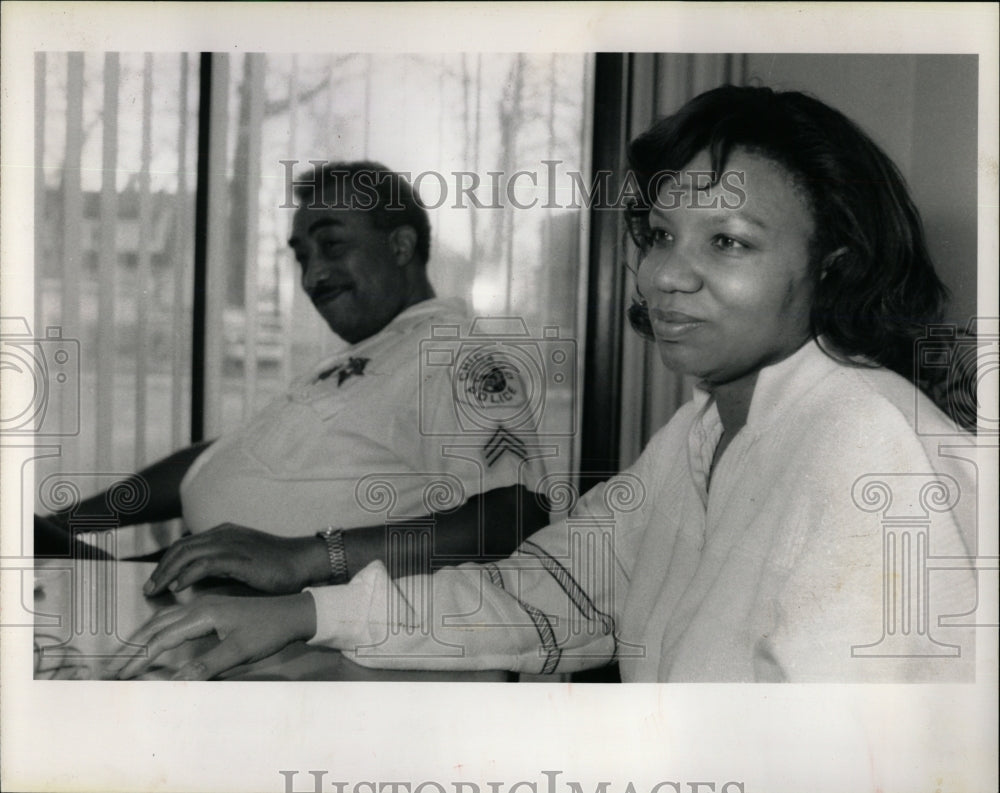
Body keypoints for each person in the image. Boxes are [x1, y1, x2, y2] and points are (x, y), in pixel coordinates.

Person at [110, 86, 979, 683]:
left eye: (730, 242)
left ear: (835, 269)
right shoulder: (699, 435)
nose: (664, 275)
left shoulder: (870, 448)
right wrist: (309, 616)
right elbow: (543, 592)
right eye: (662, 234)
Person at [38, 161, 551, 596]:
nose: (311, 277)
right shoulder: (371, 355)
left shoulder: (458, 355)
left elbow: (513, 519)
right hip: (191, 578)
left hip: (284, 628)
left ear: (399, 246)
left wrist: (305, 557)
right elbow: (222, 458)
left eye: (331, 246)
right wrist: (72, 522)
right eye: (302, 257)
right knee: (30, 544)